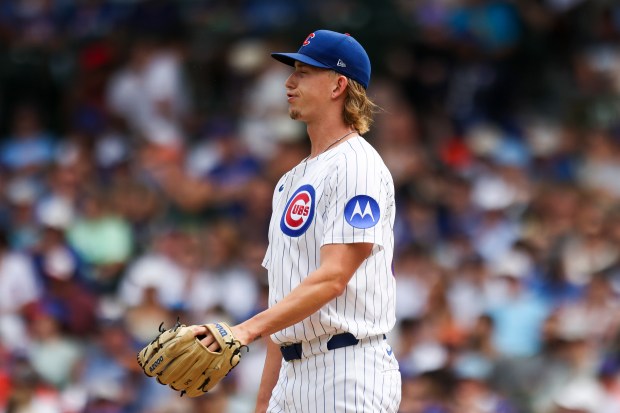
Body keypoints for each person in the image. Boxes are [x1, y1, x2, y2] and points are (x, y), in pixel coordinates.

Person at [196, 29, 401, 412]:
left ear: (339, 85)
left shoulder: (358, 165)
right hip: (292, 374)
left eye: (304, 72)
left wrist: (244, 331)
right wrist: (263, 405)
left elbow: (334, 278)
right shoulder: (290, 181)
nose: (289, 82)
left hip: (348, 370)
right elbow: (286, 302)